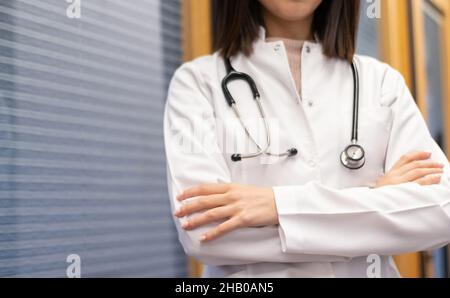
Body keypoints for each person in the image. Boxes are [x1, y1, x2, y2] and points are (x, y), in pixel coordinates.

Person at [164, 0, 450, 277]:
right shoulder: (197, 84)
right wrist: (374, 200)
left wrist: (276, 205)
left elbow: (441, 212)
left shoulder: (382, 82)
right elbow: (204, 232)